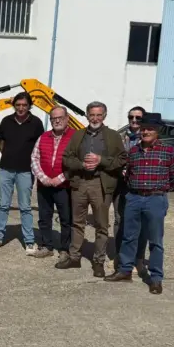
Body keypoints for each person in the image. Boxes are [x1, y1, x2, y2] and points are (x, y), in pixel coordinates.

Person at [104, 113, 174, 294]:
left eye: (150, 129)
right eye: (144, 129)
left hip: (156, 199)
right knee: (129, 237)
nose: (145, 132)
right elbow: (128, 175)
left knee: (155, 241)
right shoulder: (133, 152)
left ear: (157, 131)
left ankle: (156, 278)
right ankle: (125, 270)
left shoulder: (168, 151)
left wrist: (159, 192)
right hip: (134, 198)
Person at [58, 101, 127, 277]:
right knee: (77, 222)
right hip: (80, 183)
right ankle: (74, 257)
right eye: (92, 115)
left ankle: (98, 261)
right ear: (87, 115)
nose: (95, 118)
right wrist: (81, 165)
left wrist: (100, 160)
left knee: (101, 225)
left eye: (99, 115)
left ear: (104, 116)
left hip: (100, 184)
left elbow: (122, 159)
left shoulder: (113, 136)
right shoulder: (78, 135)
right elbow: (66, 158)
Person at [0, 92, 44, 255]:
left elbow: (39, 146)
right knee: (3, 205)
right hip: (6, 169)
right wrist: (10, 156)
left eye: (24, 105)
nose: (21, 108)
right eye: (18, 105)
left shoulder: (36, 123)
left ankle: (29, 240)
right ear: (14, 106)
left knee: (25, 207)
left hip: (26, 171)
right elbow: (2, 143)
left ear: (29, 106)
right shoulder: (6, 121)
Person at [30, 106, 75, 259]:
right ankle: (47, 246)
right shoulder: (43, 137)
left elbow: (77, 162)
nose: (57, 121)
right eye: (53, 118)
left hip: (65, 186)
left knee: (66, 219)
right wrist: (43, 178)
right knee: (44, 217)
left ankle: (65, 249)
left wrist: (60, 178)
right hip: (44, 185)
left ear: (67, 118)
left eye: (60, 118)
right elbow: (34, 158)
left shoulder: (75, 137)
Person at [111, 106, 149, 277]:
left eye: (138, 118)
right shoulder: (119, 136)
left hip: (140, 186)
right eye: (131, 117)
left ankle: (138, 258)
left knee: (139, 223)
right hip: (121, 184)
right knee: (120, 220)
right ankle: (120, 256)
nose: (134, 121)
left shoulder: (148, 137)